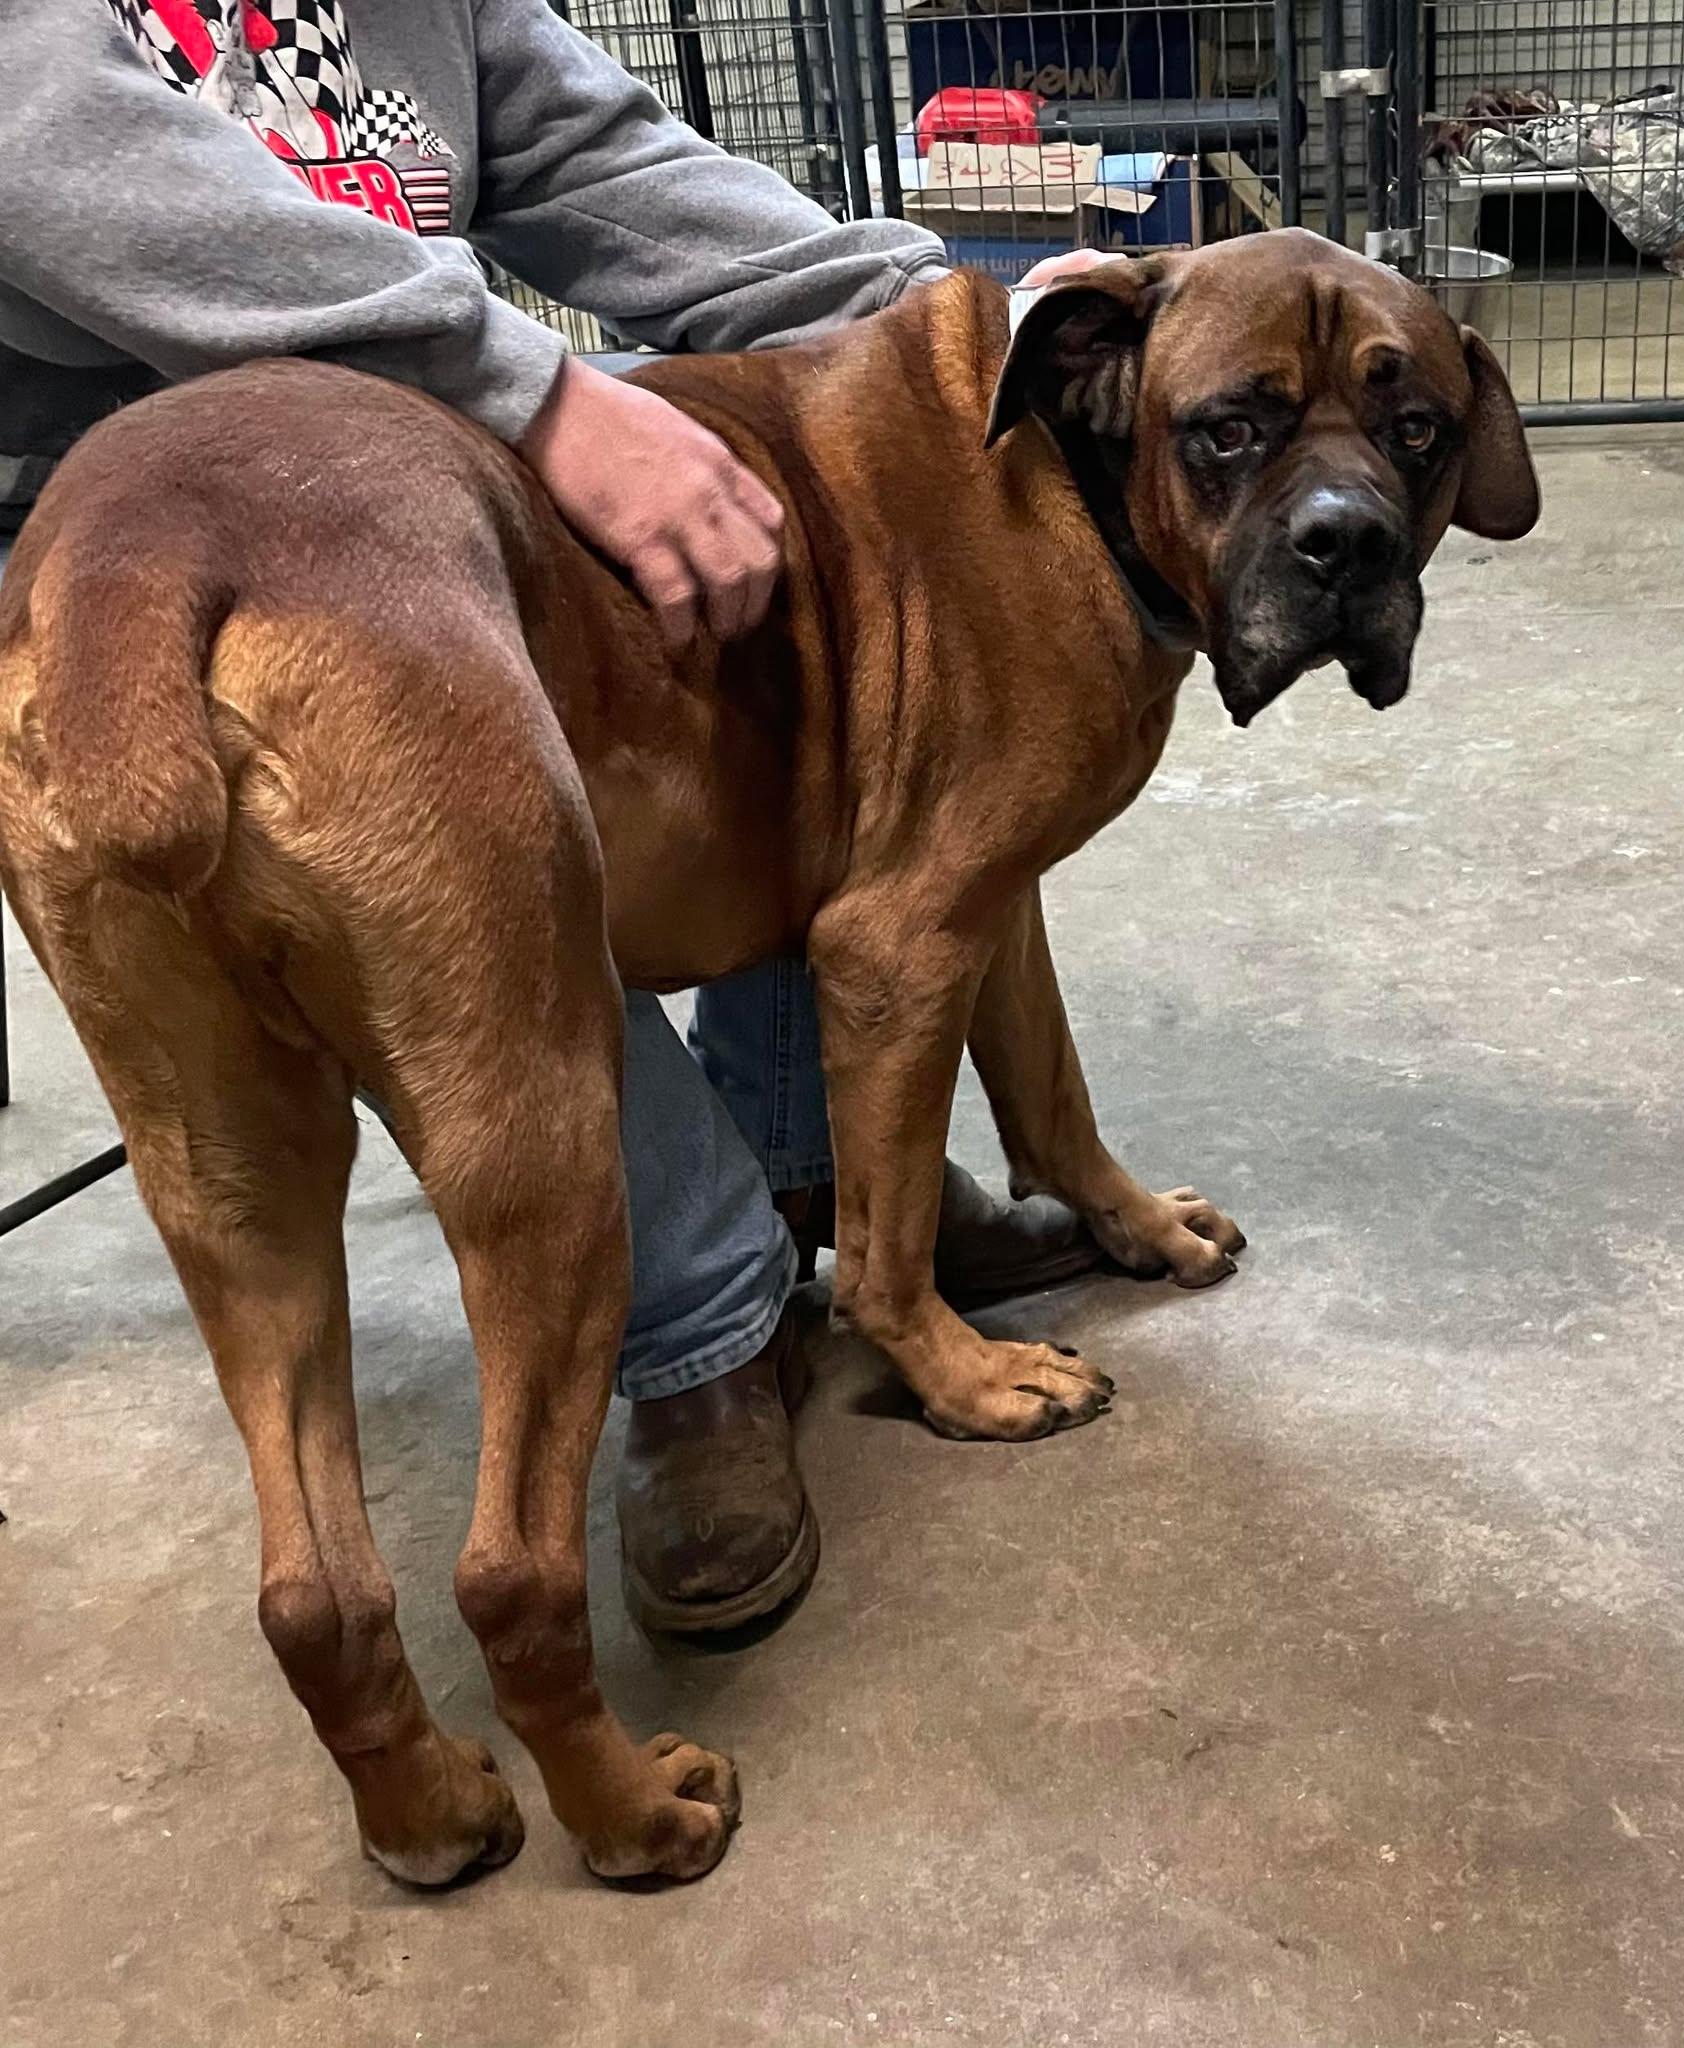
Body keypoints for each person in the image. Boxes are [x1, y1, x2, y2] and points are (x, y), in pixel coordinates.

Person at [1, 0, 1110, 1635]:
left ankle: (817, 1173)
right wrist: (537, 392)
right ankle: (704, 1332)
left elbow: (608, 162)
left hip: (403, 462)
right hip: (100, 530)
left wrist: (962, 310)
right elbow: (50, 170)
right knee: (461, 865)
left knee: (778, 548)